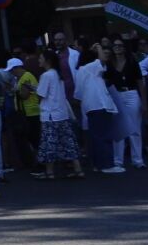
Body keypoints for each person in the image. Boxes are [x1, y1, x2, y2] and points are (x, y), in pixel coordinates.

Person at [34, 49, 85, 179]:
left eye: (41, 58)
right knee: (68, 142)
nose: (39, 60)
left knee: (49, 143)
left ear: (47, 60)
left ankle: (49, 172)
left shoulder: (45, 76)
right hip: (62, 113)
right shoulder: (58, 74)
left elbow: (41, 94)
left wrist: (33, 89)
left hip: (50, 114)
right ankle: (78, 169)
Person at [75, 42, 123, 174]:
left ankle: (97, 164)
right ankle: (107, 165)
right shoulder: (92, 68)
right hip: (100, 105)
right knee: (105, 136)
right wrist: (98, 47)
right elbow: (103, 59)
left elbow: (78, 95)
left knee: (95, 138)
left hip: (89, 107)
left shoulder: (80, 72)